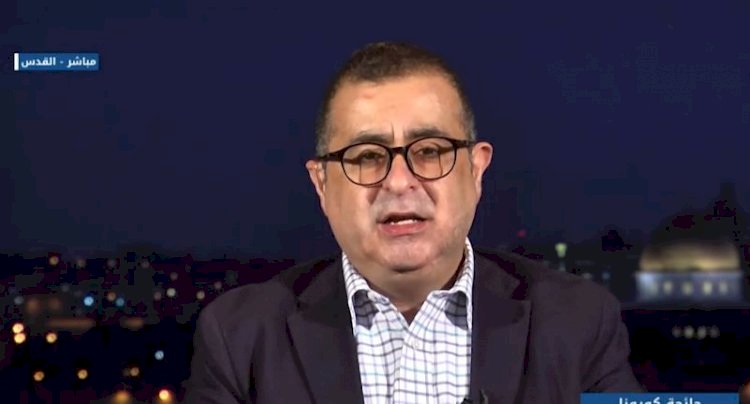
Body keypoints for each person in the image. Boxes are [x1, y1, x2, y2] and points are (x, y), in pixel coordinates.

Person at [184, 41, 644, 403]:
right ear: (321, 184)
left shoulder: (578, 324)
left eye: (430, 151)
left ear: (476, 170)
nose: (399, 181)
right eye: (367, 157)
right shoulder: (240, 338)